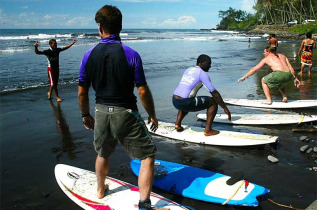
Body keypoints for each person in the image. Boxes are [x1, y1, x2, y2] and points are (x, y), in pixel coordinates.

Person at [78, 5, 158, 210]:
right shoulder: (131, 54)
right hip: (126, 113)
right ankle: (144, 203)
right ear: (120, 27)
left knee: (103, 153)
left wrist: (85, 114)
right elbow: (142, 90)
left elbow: (82, 91)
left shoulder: (88, 55)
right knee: (147, 155)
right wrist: (152, 115)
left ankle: (99, 189)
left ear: (99, 27)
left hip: (101, 111)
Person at [172, 54, 231, 136]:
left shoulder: (189, 69)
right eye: (208, 63)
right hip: (185, 102)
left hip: (175, 100)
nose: (210, 66)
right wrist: (225, 108)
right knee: (213, 102)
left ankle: (177, 124)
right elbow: (214, 93)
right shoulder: (202, 74)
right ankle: (208, 130)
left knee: (186, 99)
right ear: (200, 63)